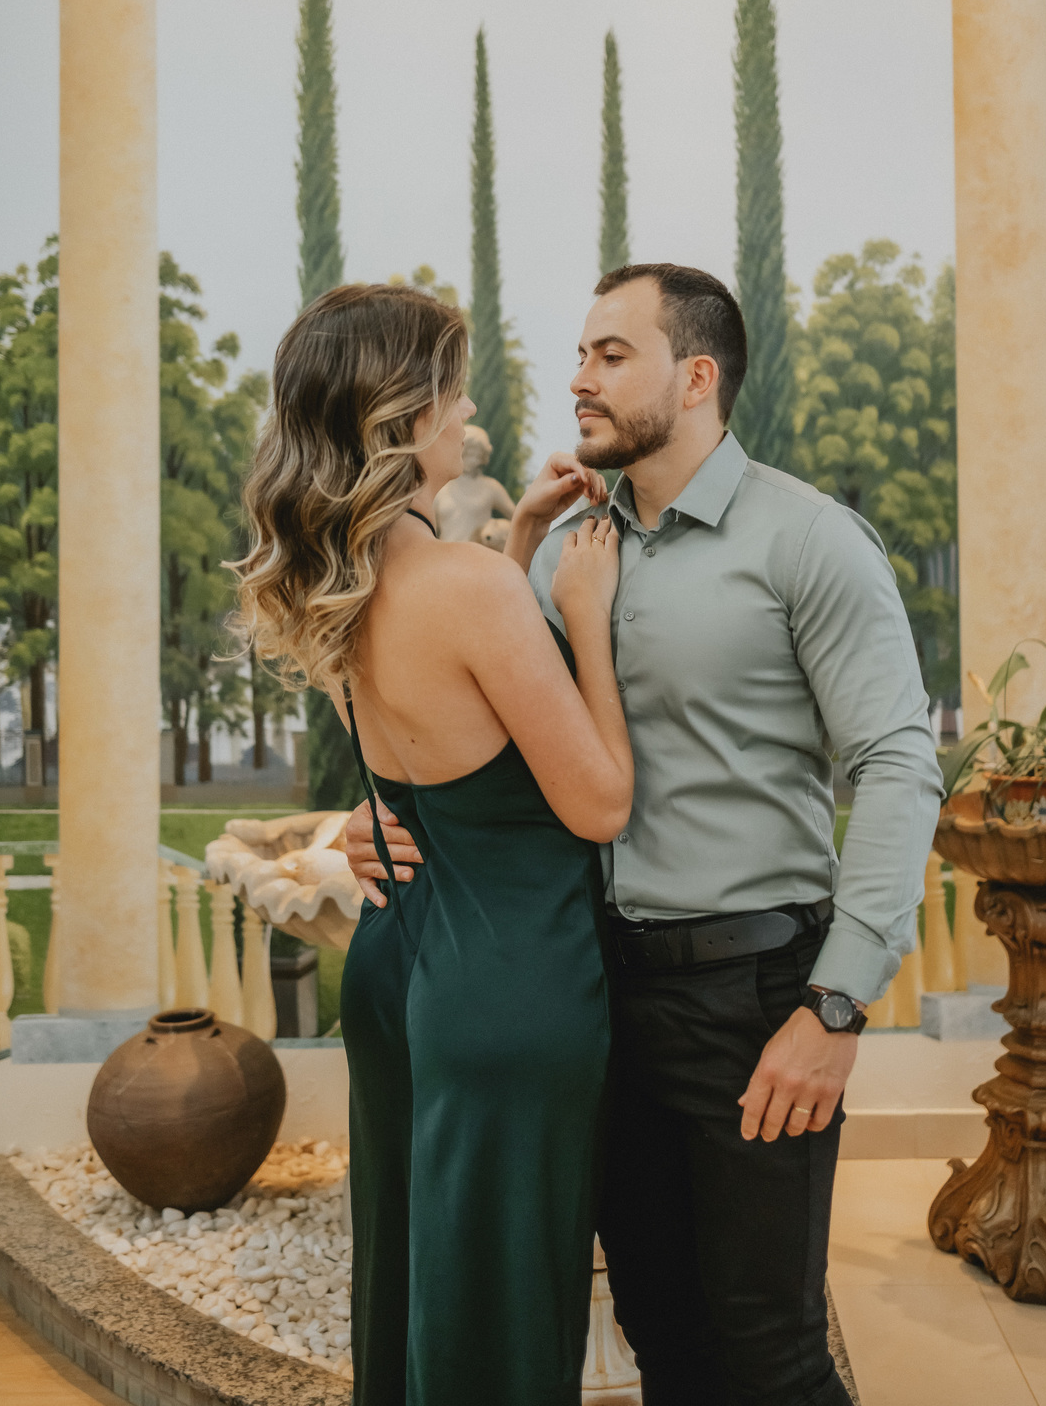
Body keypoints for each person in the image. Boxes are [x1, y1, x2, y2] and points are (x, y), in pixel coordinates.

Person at [347, 263, 943, 1406]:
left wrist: (835, 1005)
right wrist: (382, 822)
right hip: (598, 993)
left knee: (771, 1357)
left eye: (612, 355)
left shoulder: (810, 542)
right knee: (661, 1334)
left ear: (698, 377)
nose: (580, 378)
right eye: (580, 354)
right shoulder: (570, 551)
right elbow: (475, 724)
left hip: (749, 997)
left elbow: (897, 765)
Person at [232, 283, 632, 1406]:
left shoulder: (341, 581)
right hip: (509, 980)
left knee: (419, 1286)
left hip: (400, 964)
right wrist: (587, 620)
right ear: (401, 420)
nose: (470, 413)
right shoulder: (469, 589)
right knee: (500, 1319)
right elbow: (600, 804)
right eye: (452, 392)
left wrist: (523, 538)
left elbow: (439, 729)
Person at [434, 422, 517, 542]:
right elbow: (427, 531)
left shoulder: (491, 487)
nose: (472, 459)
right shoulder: (441, 488)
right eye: (469, 452)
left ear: (483, 456)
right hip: (444, 553)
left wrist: (500, 531)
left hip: (479, 553)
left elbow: (518, 518)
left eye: (477, 454)